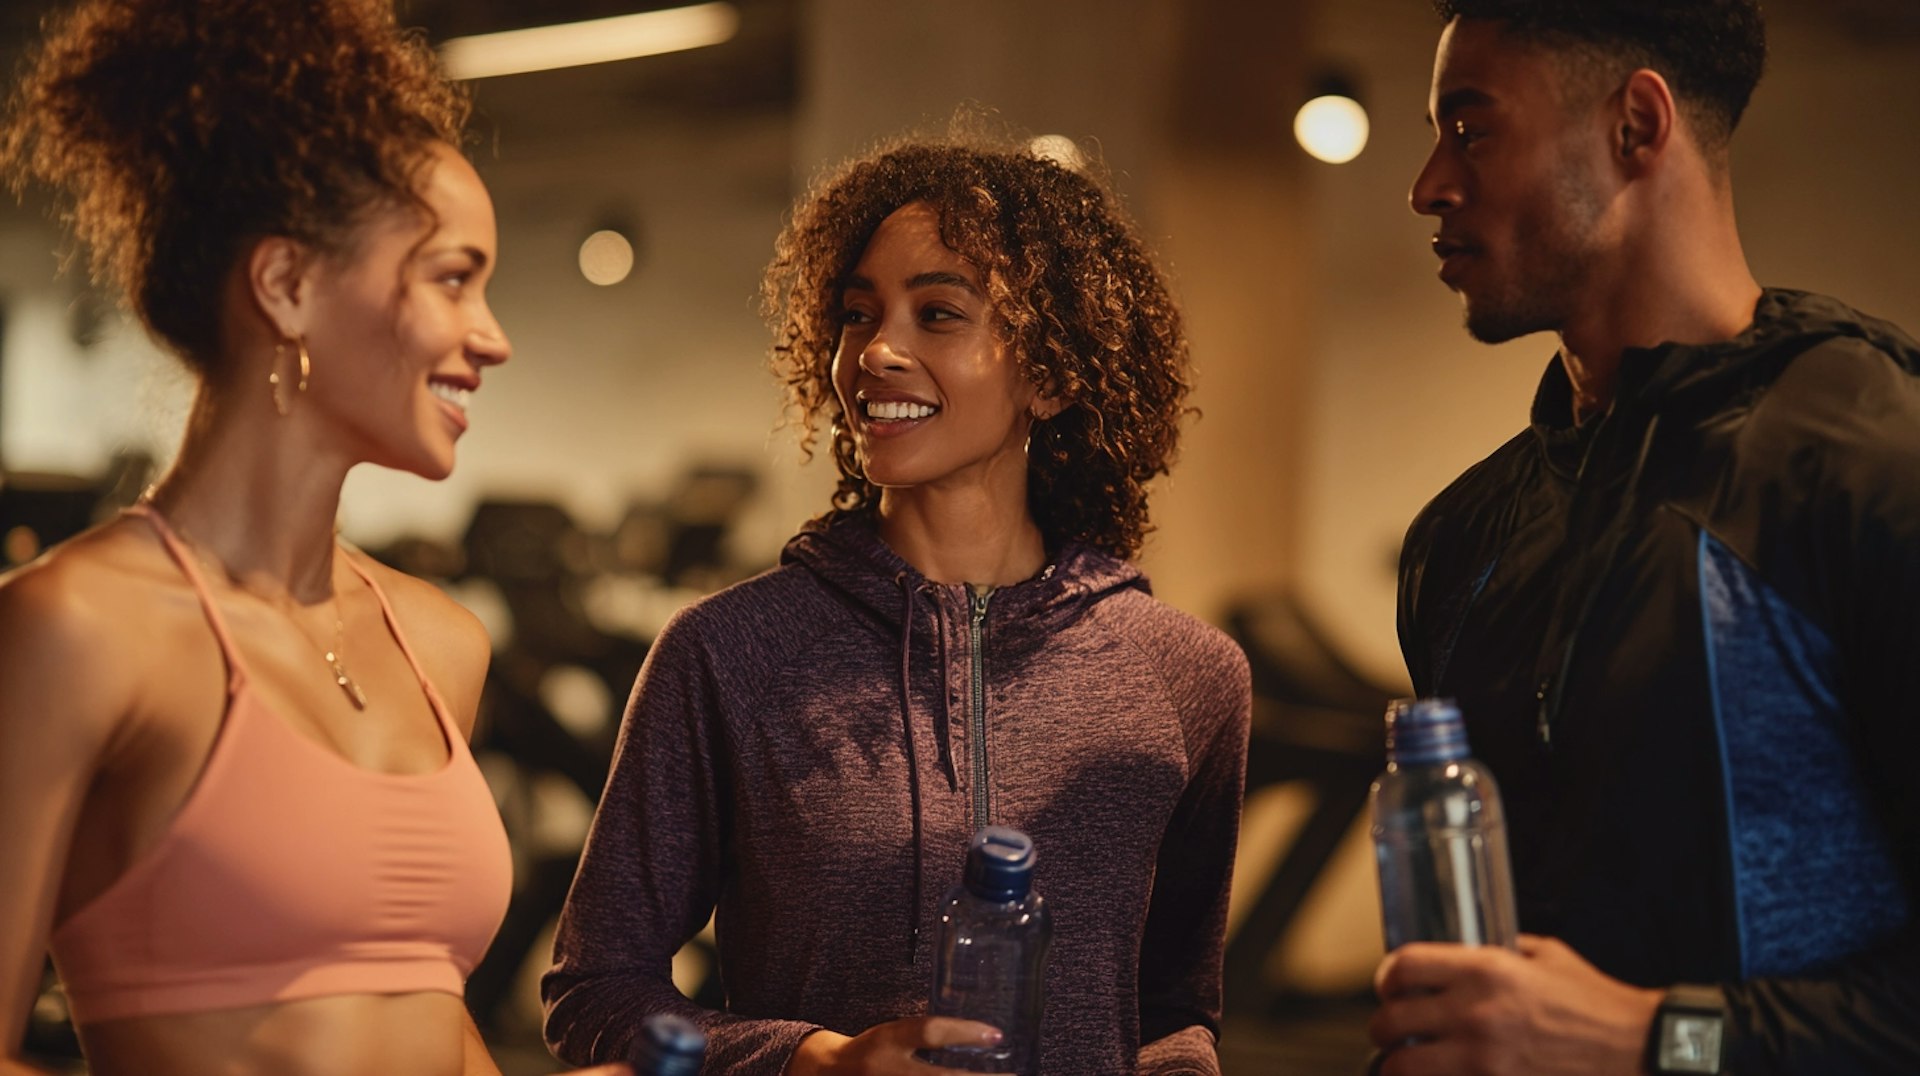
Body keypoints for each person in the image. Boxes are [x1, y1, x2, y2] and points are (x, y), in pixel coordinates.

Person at [540, 137, 1252, 1075]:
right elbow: (596, 993)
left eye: (939, 313)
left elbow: (1171, 1011)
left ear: (1052, 374)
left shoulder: (1186, 677)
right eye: (857, 313)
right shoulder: (726, 654)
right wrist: (813, 1061)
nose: (876, 350)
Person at [0, 2, 620, 1074]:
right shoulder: (78, 627)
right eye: (452, 277)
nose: (493, 335)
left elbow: (422, 1014)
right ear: (287, 285)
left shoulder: (441, 644)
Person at [1376, 0, 1920, 1073]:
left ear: (1637, 123)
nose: (1429, 184)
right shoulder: (1461, 534)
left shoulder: (1867, 468)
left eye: (1472, 129)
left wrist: (1656, 1037)